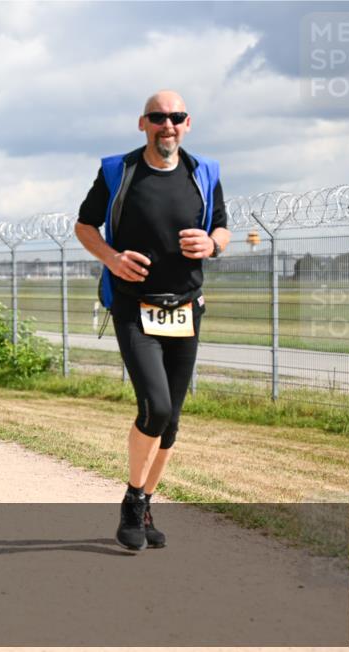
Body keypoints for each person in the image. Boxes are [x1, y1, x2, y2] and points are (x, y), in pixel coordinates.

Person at [74, 90, 230, 550]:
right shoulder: (118, 172)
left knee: (174, 420)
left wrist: (213, 245)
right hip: (133, 308)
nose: (168, 125)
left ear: (188, 123)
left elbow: (222, 224)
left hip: (185, 309)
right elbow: (85, 225)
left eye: (176, 117)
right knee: (156, 408)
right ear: (142, 123)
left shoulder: (205, 173)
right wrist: (111, 257)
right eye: (158, 117)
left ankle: (143, 503)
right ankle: (131, 501)